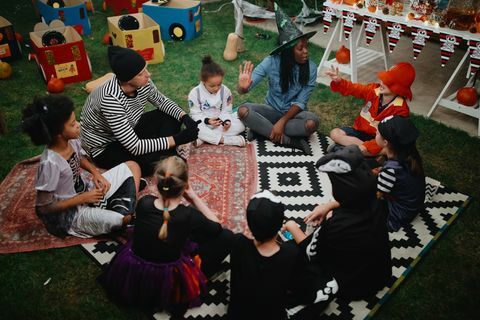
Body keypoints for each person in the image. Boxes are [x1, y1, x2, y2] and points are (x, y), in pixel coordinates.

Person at [101, 156, 233, 316]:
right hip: (168, 278)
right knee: (227, 237)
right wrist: (193, 198)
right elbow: (217, 227)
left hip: (134, 268)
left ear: (157, 182)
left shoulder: (144, 203)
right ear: (185, 185)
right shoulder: (188, 215)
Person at [283, 145, 391, 308]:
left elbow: (310, 252)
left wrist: (291, 226)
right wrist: (329, 206)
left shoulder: (337, 225)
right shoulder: (377, 203)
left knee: (289, 251)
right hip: (378, 275)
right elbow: (357, 199)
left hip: (351, 286)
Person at [21, 95, 141, 238]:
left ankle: (118, 211)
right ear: (58, 134)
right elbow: (43, 208)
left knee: (132, 166)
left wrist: (96, 173)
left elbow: (80, 157)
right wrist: (83, 199)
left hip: (87, 191)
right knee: (120, 219)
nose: (78, 125)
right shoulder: (50, 164)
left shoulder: (71, 140)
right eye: (72, 124)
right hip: (72, 215)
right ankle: (122, 214)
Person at [81, 46, 200, 176]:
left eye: (145, 69)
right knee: (144, 164)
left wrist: (185, 118)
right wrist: (177, 139)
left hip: (129, 129)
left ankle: (164, 153)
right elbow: (135, 146)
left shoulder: (143, 81)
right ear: (127, 79)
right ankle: (165, 153)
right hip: (105, 146)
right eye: (141, 73)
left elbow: (161, 101)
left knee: (171, 115)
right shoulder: (110, 99)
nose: (148, 74)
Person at [236, 4, 319, 155]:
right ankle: (288, 141)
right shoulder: (271, 61)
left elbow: (301, 102)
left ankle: (262, 130)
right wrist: (242, 87)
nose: (306, 52)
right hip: (271, 110)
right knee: (242, 111)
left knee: (311, 124)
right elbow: (244, 90)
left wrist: (282, 122)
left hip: (294, 115)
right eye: (301, 48)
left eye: (307, 47)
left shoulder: (311, 68)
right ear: (288, 51)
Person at [227, 190, 298, 320]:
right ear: (280, 224)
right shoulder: (290, 253)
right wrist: (293, 227)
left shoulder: (238, 242)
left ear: (249, 223)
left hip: (238, 312)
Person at [325, 62, 415, 156]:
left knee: (377, 148)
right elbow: (354, 88)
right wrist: (339, 81)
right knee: (335, 133)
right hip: (358, 132)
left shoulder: (401, 110)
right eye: (383, 79)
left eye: (388, 82)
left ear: (399, 88)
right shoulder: (373, 89)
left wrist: (368, 147)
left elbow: (391, 138)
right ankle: (361, 152)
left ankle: (352, 151)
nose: (382, 83)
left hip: (378, 140)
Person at [375, 116, 425, 231]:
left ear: (385, 142)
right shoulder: (410, 156)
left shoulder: (390, 170)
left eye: (378, 132)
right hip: (413, 206)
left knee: (361, 200)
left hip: (398, 213)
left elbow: (378, 195)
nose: (375, 132)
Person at [188, 55, 246, 147]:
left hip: (220, 124)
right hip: (204, 124)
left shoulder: (225, 90)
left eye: (219, 84)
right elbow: (195, 115)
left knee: (241, 124)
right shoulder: (194, 93)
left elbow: (227, 110)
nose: (216, 88)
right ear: (203, 81)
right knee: (194, 128)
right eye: (212, 86)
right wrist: (208, 121)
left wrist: (227, 121)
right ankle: (227, 140)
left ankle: (203, 140)